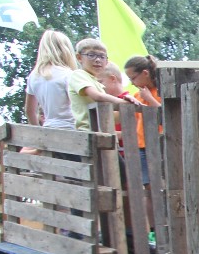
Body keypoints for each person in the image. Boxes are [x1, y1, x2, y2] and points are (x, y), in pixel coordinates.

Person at [125, 55, 164, 228]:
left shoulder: (160, 92)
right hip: (142, 146)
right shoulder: (137, 95)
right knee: (149, 189)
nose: (132, 82)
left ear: (145, 73)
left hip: (160, 145)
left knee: (163, 186)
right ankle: (154, 228)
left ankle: (166, 224)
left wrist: (149, 99)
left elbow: (166, 115)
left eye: (133, 78)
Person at [69, 38, 139, 130]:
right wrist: (123, 103)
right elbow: (97, 96)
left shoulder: (97, 84)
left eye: (102, 56)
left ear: (106, 62)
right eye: (91, 55)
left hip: (101, 131)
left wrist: (131, 105)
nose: (98, 60)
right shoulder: (79, 75)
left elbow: (109, 117)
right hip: (88, 131)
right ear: (79, 57)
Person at [25, 29, 78, 130]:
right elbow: (78, 106)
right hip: (71, 128)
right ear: (66, 50)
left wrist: (38, 131)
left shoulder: (34, 76)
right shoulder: (68, 74)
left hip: (48, 128)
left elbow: (29, 111)